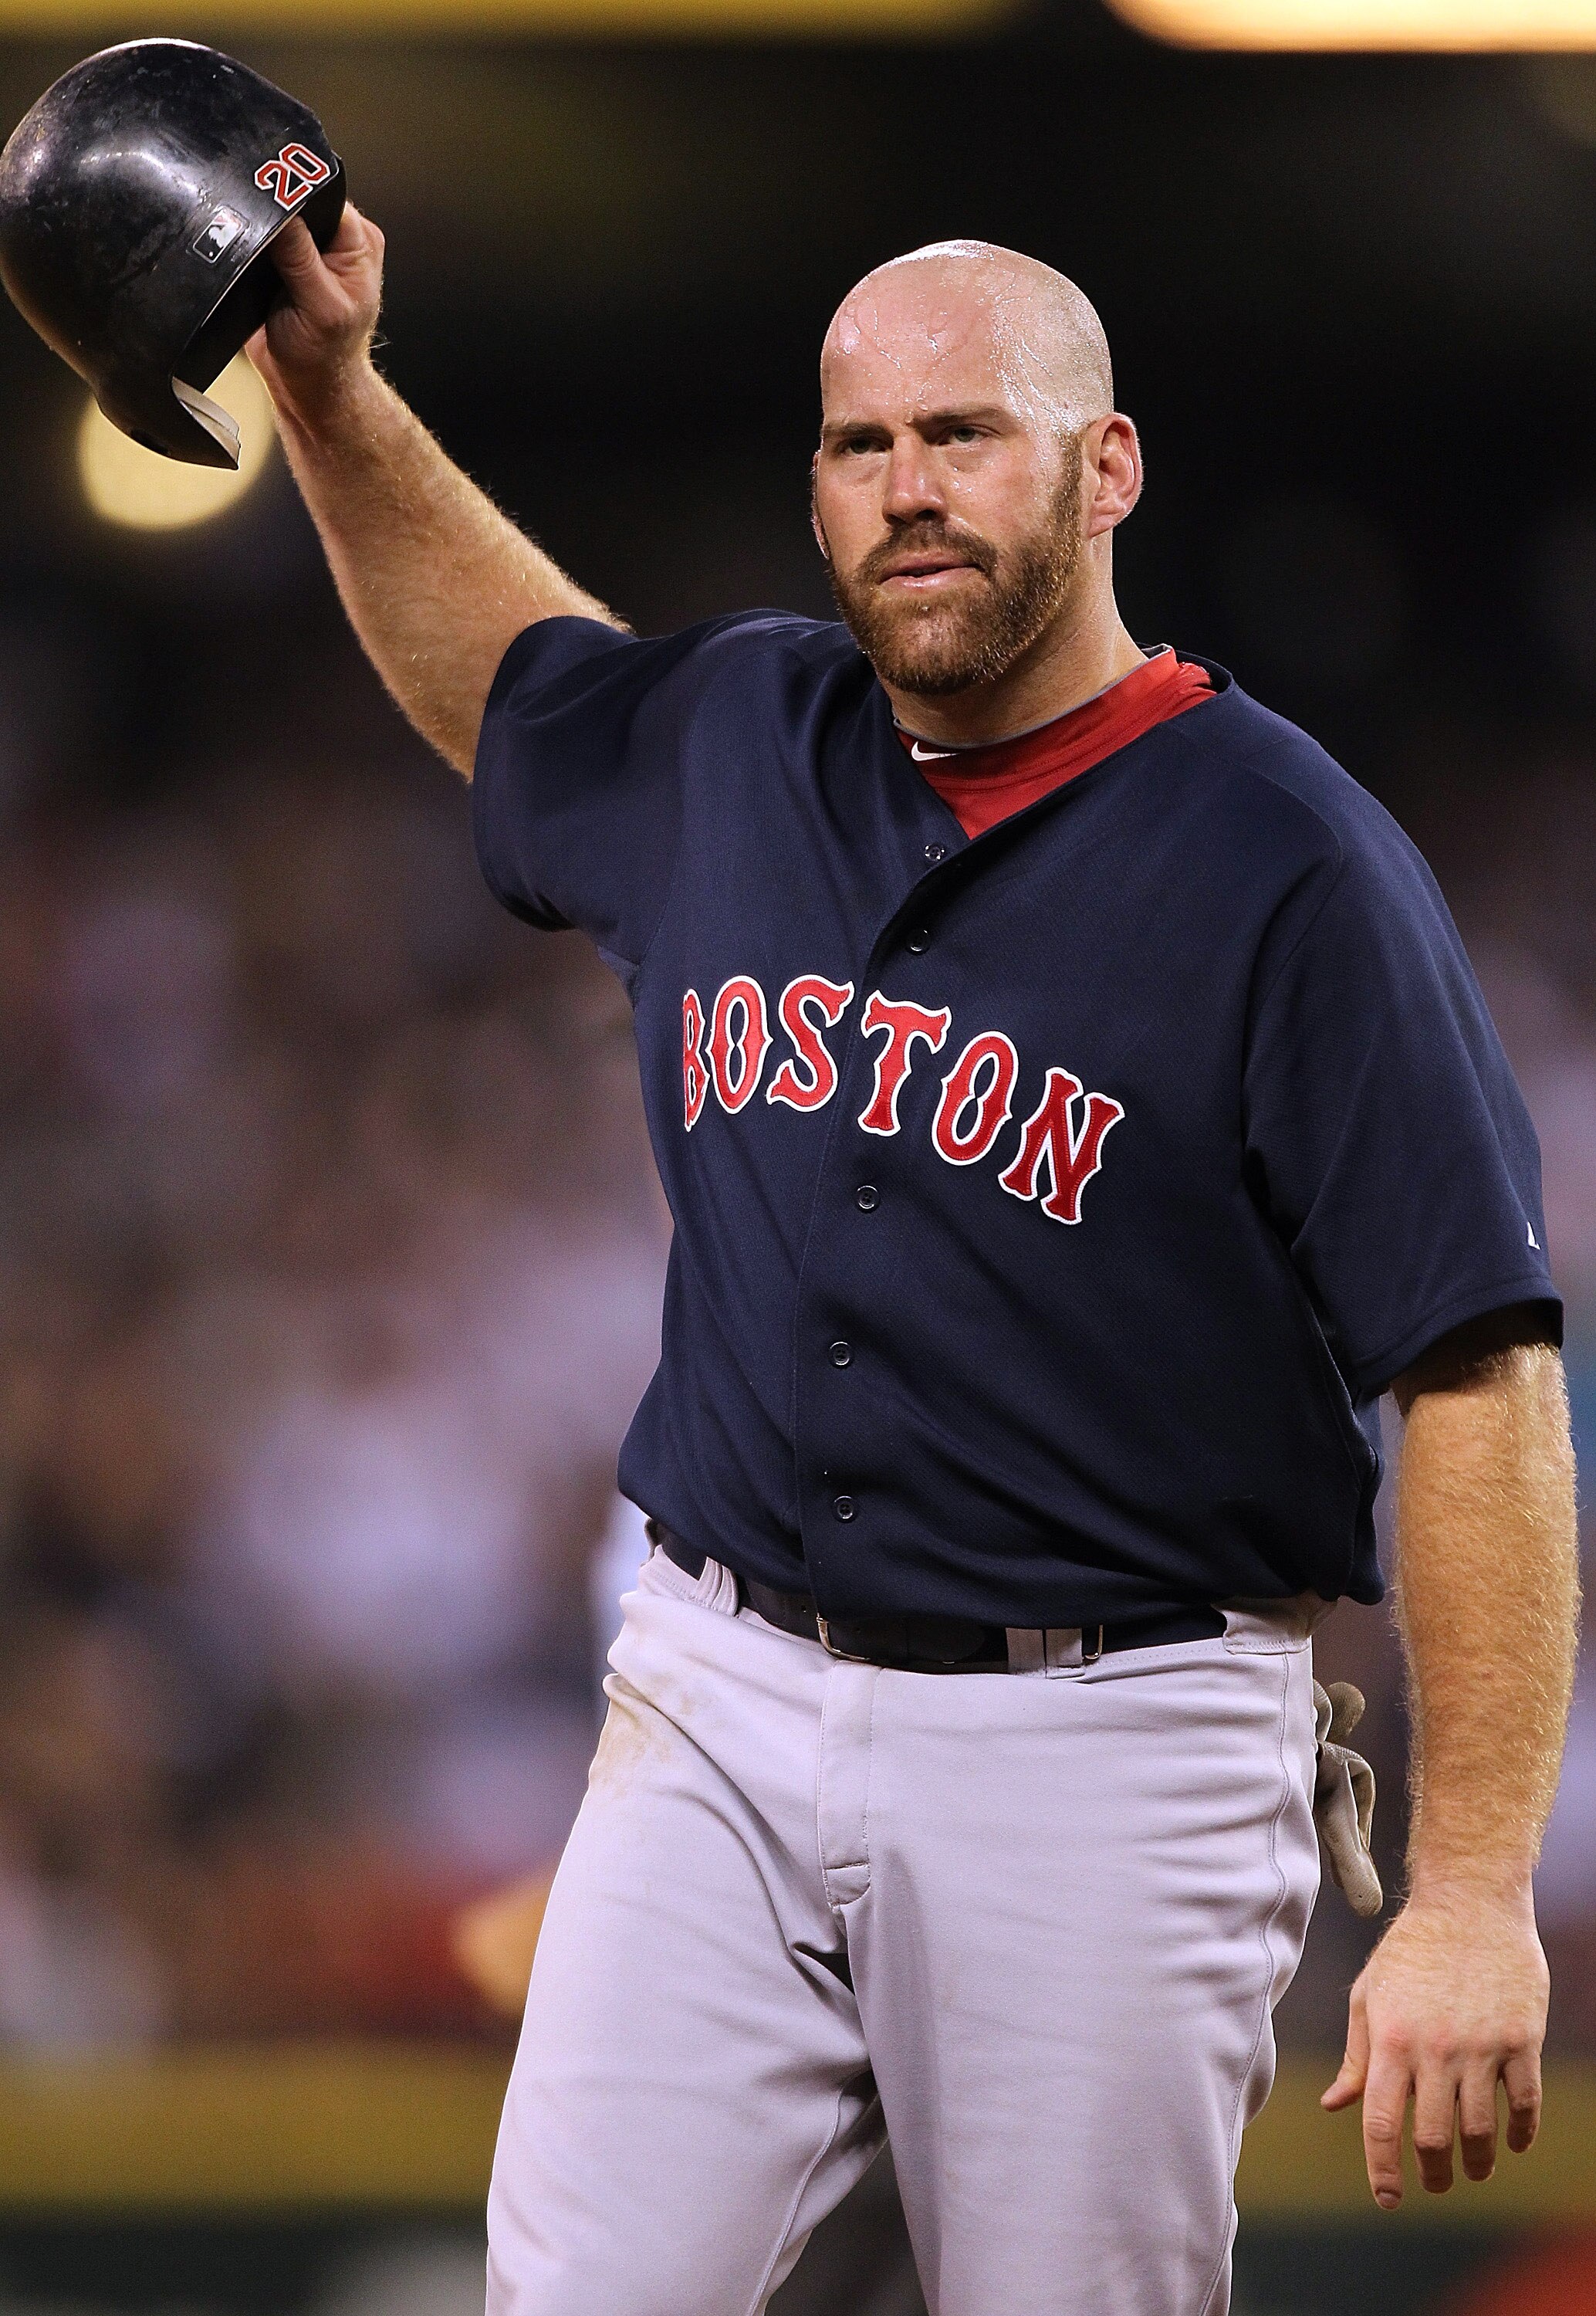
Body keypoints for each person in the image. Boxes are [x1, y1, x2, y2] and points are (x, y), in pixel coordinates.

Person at [248, 214, 1580, 2316]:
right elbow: (506, 682)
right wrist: (323, 392)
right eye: (861, 443)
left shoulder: (1284, 859)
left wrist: (1473, 1887)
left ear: (1105, 465)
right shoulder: (741, 743)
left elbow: (1477, 1375)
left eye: (963, 431)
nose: (909, 487)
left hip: (1110, 1736)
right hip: (718, 1687)